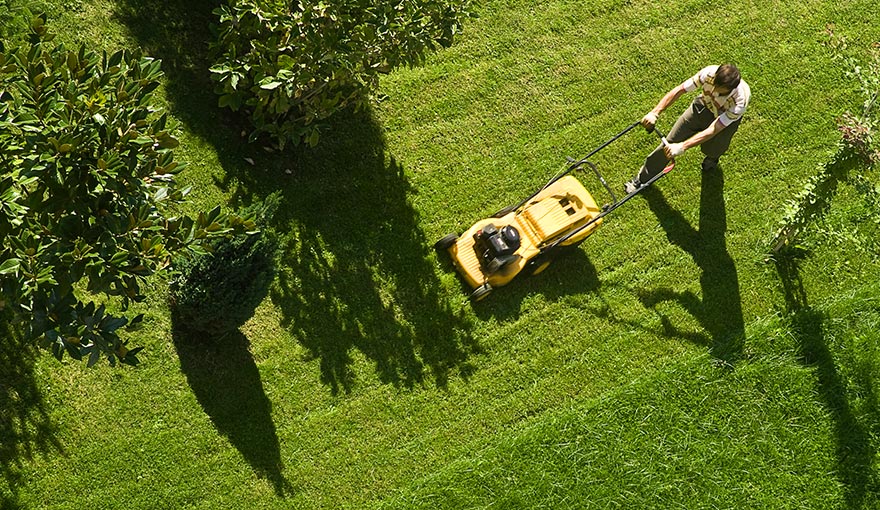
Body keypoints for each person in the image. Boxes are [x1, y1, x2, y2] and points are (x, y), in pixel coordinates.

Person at [625, 63, 751, 194]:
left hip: (723, 120)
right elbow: (680, 90)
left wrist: (683, 146)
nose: (713, 90)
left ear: (731, 89)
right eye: (714, 84)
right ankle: (642, 179)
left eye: (719, 89)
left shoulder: (740, 101)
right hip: (702, 107)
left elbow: (715, 128)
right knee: (669, 143)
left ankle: (712, 158)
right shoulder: (709, 73)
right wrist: (655, 112)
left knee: (713, 148)